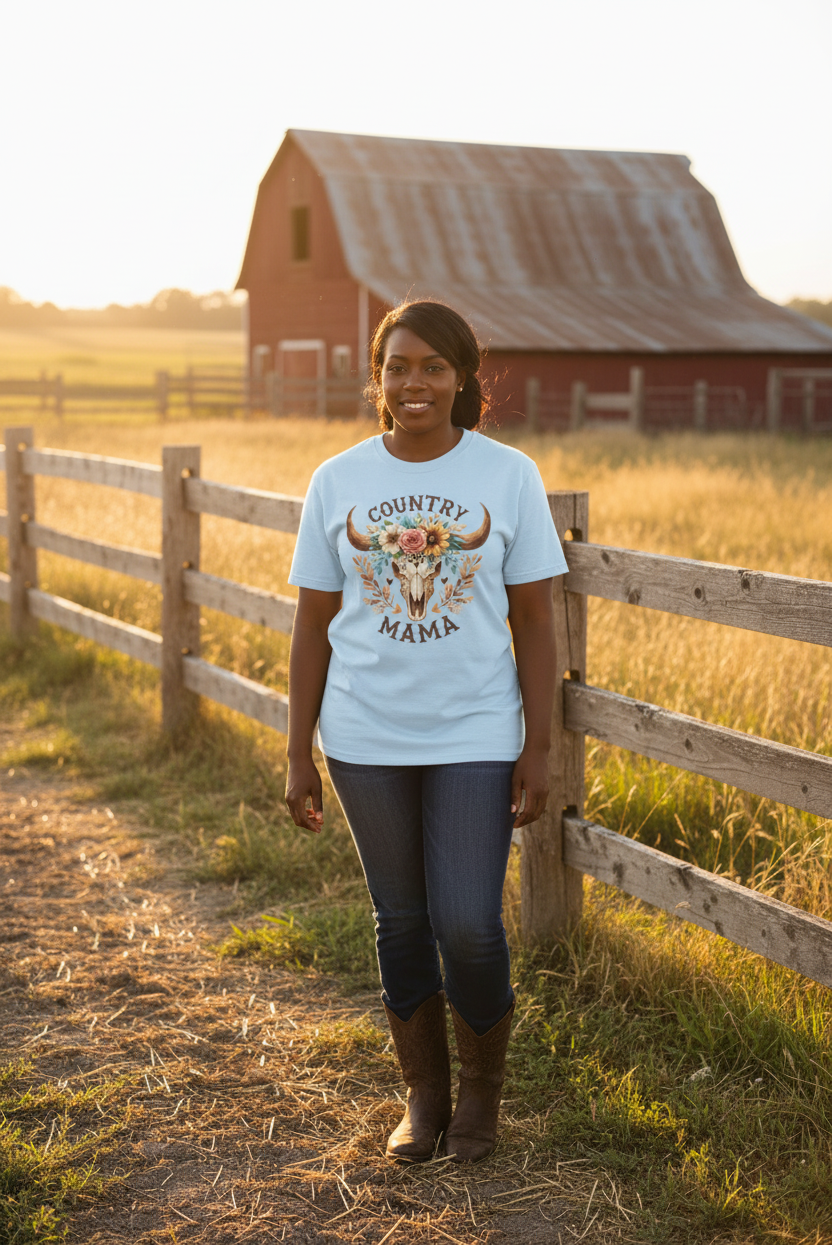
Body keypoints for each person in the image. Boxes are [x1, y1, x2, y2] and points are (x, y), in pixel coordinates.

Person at [285, 300, 567, 1163]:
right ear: (378, 378)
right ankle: (425, 1096)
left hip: (478, 731)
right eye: (399, 366)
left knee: (471, 921)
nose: (415, 383)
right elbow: (310, 624)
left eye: (434, 367)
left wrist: (540, 744)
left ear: (462, 378)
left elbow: (535, 619)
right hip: (365, 736)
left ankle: (481, 1099)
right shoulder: (337, 480)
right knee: (401, 919)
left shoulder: (509, 474)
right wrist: (297, 748)